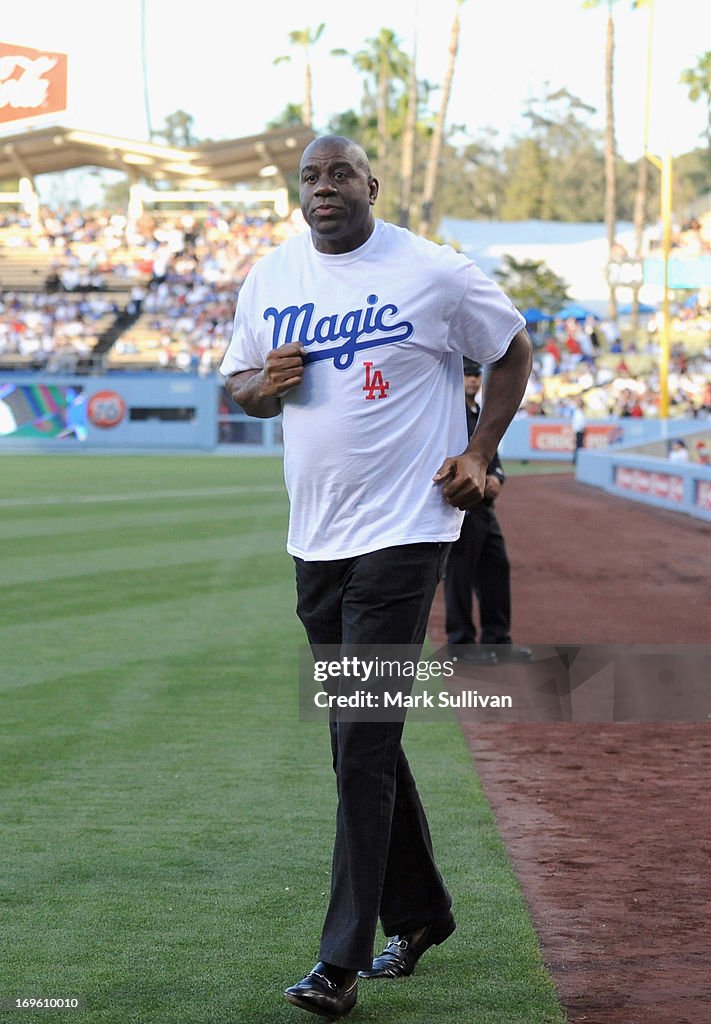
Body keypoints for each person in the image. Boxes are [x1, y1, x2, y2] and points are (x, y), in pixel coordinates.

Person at [220, 135, 532, 1020]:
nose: (324, 187)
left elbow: (511, 351)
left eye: (340, 174)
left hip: (407, 527)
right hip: (315, 536)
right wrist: (262, 385)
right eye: (311, 176)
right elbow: (241, 383)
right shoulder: (270, 277)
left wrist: (479, 450)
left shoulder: (433, 271)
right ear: (300, 191)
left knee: (359, 734)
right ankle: (425, 912)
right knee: (367, 736)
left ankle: (338, 963)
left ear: (372, 185)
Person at [443, 359, 532, 665]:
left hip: (484, 508)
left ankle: (498, 642)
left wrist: (498, 477)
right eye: (466, 374)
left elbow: (494, 459)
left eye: (476, 374)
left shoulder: (480, 414)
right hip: (460, 506)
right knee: (460, 576)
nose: (472, 380)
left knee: (496, 569)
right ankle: (461, 646)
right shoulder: (448, 415)